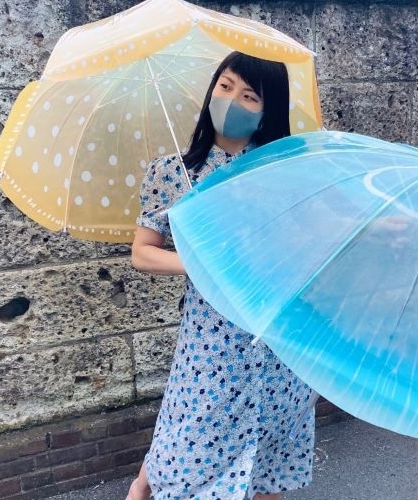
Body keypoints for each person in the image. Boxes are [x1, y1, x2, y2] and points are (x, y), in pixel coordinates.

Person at [126, 52, 315, 500]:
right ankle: (141, 487)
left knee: (273, 443)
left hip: (276, 331)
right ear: (212, 88)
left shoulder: (283, 170)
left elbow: (307, 241)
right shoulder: (172, 172)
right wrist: (197, 261)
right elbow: (143, 253)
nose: (233, 101)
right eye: (226, 86)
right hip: (212, 338)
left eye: (250, 96)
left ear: (267, 111)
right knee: (188, 434)